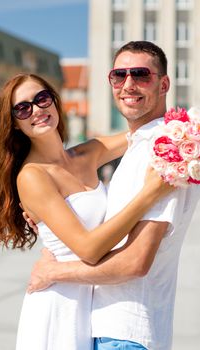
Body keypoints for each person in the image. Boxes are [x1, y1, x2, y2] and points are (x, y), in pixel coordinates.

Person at [27, 41, 200, 350]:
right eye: (119, 75)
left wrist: (55, 271)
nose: (128, 84)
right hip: (103, 326)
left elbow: (135, 262)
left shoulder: (165, 153)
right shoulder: (142, 143)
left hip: (127, 332)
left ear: (164, 84)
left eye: (141, 74)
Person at [0, 72, 172, 350]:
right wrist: (149, 194)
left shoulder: (86, 153)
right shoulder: (32, 176)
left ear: (54, 101)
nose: (37, 110)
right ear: (14, 123)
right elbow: (88, 248)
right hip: (61, 303)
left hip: (96, 300)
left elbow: (143, 133)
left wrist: (185, 131)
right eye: (23, 108)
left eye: (42, 99)